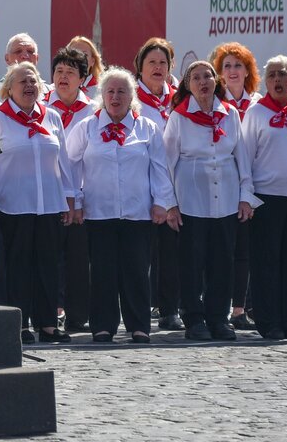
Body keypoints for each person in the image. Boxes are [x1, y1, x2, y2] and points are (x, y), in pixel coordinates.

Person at [68, 67, 175, 343]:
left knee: (137, 271)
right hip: (98, 212)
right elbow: (69, 165)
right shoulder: (87, 127)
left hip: (138, 212)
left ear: (132, 96)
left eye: (122, 91)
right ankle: (102, 325)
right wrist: (75, 201)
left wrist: (162, 202)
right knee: (102, 271)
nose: (115, 97)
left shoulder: (147, 128)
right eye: (110, 91)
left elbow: (160, 169)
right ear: (102, 96)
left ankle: (139, 325)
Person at [0, 62, 76, 343]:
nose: (30, 86)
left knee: (48, 264)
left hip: (48, 204)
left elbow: (64, 161)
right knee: (16, 266)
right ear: (9, 88)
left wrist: (70, 198)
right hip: (12, 205)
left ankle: (47, 323)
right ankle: (18, 323)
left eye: (33, 81)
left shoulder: (52, 118)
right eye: (23, 81)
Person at [164, 60, 259, 342]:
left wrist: (245, 196)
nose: (203, 82)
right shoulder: (179, 118)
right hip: (192, 203)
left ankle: (219, 317)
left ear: (216, 81)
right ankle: (194, 318)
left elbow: (241, 158)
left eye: (208, 76)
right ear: (187, 85)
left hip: (226, 201)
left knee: (223, 262)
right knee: (192, 263)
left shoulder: (229, 114)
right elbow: (166, 165)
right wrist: (170, 203)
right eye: (196, 77)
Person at [241, 56, 287, 340]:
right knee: (267, 261)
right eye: (272, 75)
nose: (278, 80)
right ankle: (268, 321)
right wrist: (246, 194)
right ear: (264, 82)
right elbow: (244, 157)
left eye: (283, 74)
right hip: (267, 198)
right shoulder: (256, 113)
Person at [133, 37, 181, 331]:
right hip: (139, 187)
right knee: (140, 255)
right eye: (152, 61)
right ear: (140, 67)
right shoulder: (130, 97)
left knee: (171, 252)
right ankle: (139, 308)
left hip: (173, 188)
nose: (158, 67)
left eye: (163, 62)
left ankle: (169, 308)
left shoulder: (179, 99)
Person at [211, 42, 260, 329]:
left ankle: (241, 309)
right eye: (226, 66)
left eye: (237, 65)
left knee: (247, 251)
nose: (232, 71)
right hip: (223, 185)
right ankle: (217, 306)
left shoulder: (258, 105)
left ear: (248, 71)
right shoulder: (214, 103)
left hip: (256, 185)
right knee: (221, 250)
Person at [48, 47, 94, 332]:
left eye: (70, 72)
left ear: (82, 79)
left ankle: (78, 314)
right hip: (49, 196)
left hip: (83, 197)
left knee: (79, 259)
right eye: (59, 71)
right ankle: (50, 310)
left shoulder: (93, 111)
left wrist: (78, 198)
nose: (63, 78)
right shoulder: (40, 106)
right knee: (50, 258)